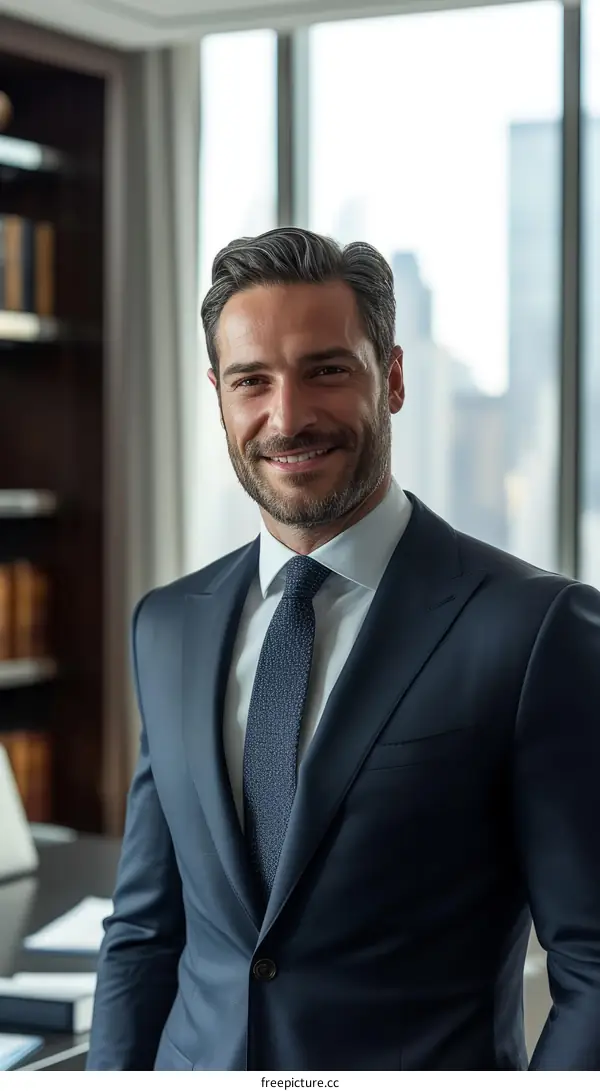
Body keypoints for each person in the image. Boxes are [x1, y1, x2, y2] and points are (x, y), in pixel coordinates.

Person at [87, 228, 600, 1072]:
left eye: (325, 369)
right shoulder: (167, 626)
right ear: (218, 394)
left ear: (391, 378)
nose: (287, 417)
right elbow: (144, 932)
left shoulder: (534, 629)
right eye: (253, 380)